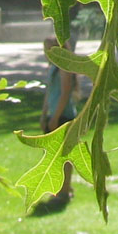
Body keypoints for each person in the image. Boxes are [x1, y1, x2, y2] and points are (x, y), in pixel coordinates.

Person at [39, 35, 78, 205]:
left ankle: (65, 190)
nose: (46, 52)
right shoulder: (51, 67)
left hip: (64, 115)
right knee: (52, 155)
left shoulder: (64, 67)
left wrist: (55, 117)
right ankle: (59, 188)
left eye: (49, 48)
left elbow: (65, 92)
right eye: (45, 48)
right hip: (53, 114)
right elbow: (49, 93)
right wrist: (44, 114)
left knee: (64, 155)